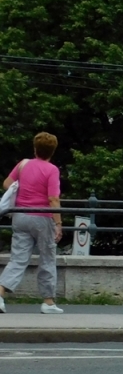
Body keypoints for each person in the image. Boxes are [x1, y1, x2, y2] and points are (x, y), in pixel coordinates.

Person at [0, 132, 65, 314]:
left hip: (20, 216)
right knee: (47, 258)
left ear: (35, 149)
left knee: (18, 259)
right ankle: (48, 301)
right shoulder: (52, 170)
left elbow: (7, 184)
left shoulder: (23, 164)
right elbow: (53, 198)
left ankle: (0, 294)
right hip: (42, 218)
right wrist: (58, 223)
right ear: (52, 151)